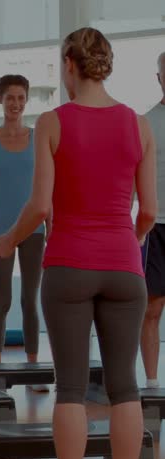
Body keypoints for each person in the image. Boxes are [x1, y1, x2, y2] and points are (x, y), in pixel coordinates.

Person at [0, 27, 157, 459]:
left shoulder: (52, 121)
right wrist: (130, 243)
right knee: (125, 388)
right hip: (124, 267)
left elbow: (41, 205)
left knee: (69, 388)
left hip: (68, 265)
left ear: (69, 64)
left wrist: (6, 240)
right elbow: (150, 211)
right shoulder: (137, 124)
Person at [0, 74, 48, 391]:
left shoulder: (39, 138)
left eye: (21, 98)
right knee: (2, 300)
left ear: (26, 100)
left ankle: (33, 370)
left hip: (33, 230)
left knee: (29, 300)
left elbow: (49, 189)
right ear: (0, 99)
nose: (16, 104)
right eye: (10, 98)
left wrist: (54, 228)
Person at [140, 51, 165, 389]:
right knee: (151, 309)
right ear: (159, 76)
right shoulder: (146, 122)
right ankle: (151, 385)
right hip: (156, 225)